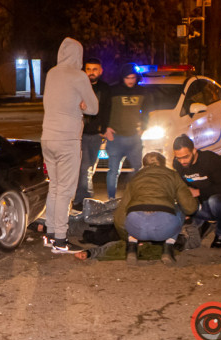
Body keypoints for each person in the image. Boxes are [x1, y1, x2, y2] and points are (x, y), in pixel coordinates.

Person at [41, 37, 98, 254]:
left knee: (54, 187)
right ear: (78, 55)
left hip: (48, 137)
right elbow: (93, 108)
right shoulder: (79, 76)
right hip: (67, 139)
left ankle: (51, 233)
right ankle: (61, 240)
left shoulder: (51, 74)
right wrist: (82, 105)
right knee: (65, 190)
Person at [113, 152, 198, 264]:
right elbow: (190, 208)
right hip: (163, 227)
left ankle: (131, 248)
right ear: (163, 164)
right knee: (180, 209)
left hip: (136, 227)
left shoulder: (135, 178)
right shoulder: (173, 175)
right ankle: (168, 248)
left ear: (144, 165)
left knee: (131, 210)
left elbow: (120, 216)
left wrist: (126, 235)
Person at [172, 135, 221, 248]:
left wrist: (198, 192)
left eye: (186, 157)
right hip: (200, 206)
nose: (182, 161)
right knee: (175, 208)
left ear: (194, 150)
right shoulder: (178, 164)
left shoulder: (211, 160)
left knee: (215, 201)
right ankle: (205, 224)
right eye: (179, 158)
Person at [104, 63, 150, 200]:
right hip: (116, 137)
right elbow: (104, 109)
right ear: (122, 78)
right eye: (127, 78)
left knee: (138, 168)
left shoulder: (142, 92)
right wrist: (105, 128)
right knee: (113, 171)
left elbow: (147, 111)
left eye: (133, 77)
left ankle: (134, 196)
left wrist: (143, 127)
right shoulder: (113, 90)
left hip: (134, 138)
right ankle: (111, 199)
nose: (130, 80)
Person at [73, 58, 111, 211]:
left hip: (96, 134)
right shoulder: (78, 87)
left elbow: (107, 110)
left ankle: (82, 198)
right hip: (80, 133)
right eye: (89, 69)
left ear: (100, 71)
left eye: (95, 69)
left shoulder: (105, 88)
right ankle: (83, 199)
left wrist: (104, 129)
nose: (91, 73)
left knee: (91, 167)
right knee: (85, 166)